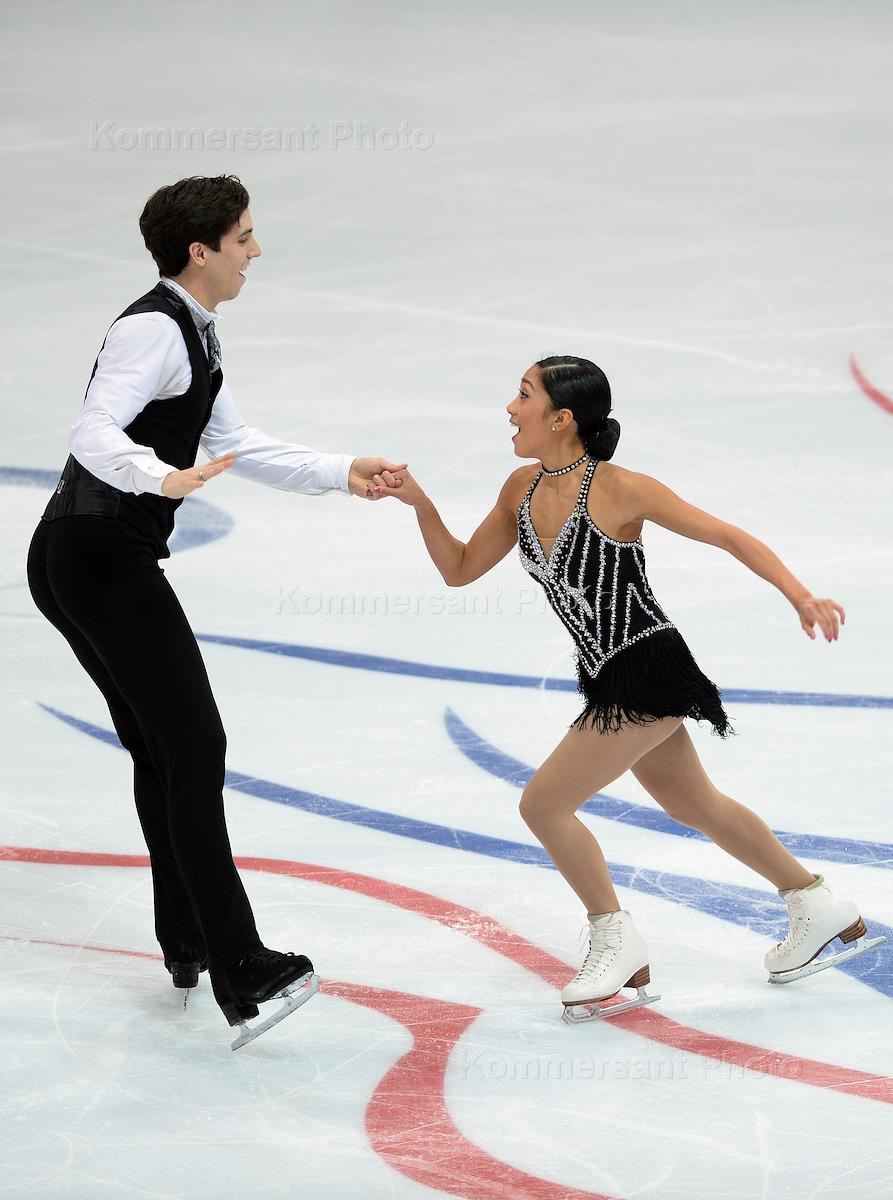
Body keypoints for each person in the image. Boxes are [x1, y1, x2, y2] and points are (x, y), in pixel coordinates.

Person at [375, 355, 883, 1021]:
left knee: (543, 805)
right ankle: (816, 902)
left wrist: (800, 595)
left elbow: (727, 535)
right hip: (606, 671)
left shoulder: (620, 489)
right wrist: (420, 504)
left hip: (647, 666)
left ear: (562, 418)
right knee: (695, 803)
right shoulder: (519, 489)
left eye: (523, 395)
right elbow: (461, 568)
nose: (510, 408)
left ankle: (615, 940)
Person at [26, 174, 405, 1042]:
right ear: (200, 251)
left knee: (166, 750)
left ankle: (187, 936)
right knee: (194, 745)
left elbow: (232, 442)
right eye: (242, 238)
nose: (254, 251)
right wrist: (159, 477)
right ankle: (241, 964)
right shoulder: (153, 330)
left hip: (84, 555)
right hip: (98, 556)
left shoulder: (194, 331)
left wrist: (341, 471)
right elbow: (93, 431)